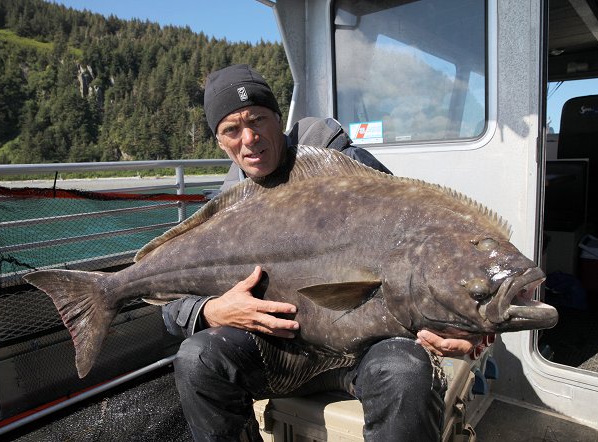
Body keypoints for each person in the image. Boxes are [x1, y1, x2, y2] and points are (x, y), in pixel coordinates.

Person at [162, 64, 479, 441]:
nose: (249, 138)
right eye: (232, 129)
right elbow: (169, 305)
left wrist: (464, 321)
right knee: (196, 359)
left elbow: (420, 245)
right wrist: (210, 310)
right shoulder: (222, 214)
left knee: (406, 370)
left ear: (278, 120)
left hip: (368, 348)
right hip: (276, 354)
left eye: (258, 120)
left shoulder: (349, 168)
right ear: (220, 141)